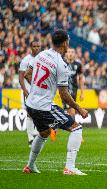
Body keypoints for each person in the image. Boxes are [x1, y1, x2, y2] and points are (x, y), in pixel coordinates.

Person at [22, 29, 88, 175]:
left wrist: (36, 89)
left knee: (44, 132)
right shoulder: (61, 64)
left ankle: (30, 166)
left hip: (31, 103)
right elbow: (64, 94)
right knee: (76, 128)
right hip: (44, 107)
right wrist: (79, 108)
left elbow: (27, 74)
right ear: (65, 43)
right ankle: (70, 167)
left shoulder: (41, 54)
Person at [50, 48, 85, 142]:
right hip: (64, 92)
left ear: (75, 54)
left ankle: (54, 128)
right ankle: (76, 133)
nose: (70, 54)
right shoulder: (61, 63)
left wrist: (82, 92)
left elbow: (81, 78)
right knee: (71, 112)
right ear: (66, 54)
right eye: (69, 52)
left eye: (72, 52)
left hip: (74, 92)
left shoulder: (78, 65)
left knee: (66, 113)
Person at [19, 40, 41, 147]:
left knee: (38, 112)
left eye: (38, 46)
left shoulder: (42, 59)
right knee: (29, 113)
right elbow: (21, 77)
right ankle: (30, 137)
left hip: (39, 91)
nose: (37, 48)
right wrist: (24, 89)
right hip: (28, 91)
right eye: (34, 46)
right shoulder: (26, 60)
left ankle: (34, 132)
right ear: (30, 47)